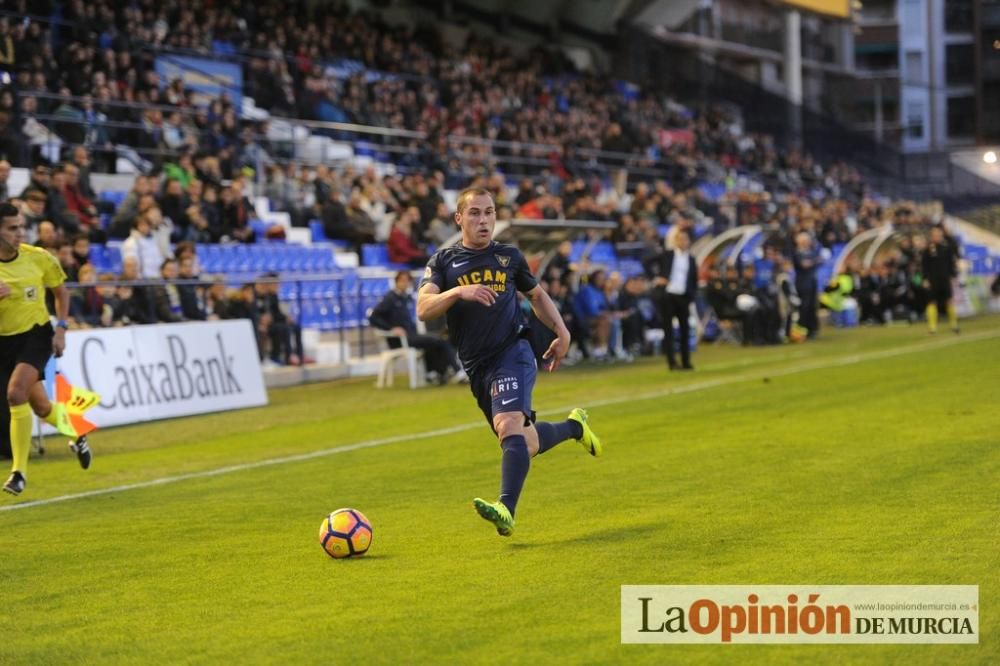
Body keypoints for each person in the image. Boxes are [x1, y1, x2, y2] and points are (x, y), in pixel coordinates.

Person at [416, 188, 603, 537]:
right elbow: (423, 309)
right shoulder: (443, 261)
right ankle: (575, 426)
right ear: (459, 218)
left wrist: (561, 331)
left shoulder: (508, 257)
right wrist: (458, 292)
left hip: (513, 351)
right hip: (476, 366)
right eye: (474, 213)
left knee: (507, 425)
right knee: (525, 442)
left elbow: (536, 295)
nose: (483, 220)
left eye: (489, 213)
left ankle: (506, 508)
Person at [0, 203, 89, 496]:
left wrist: (61, 329)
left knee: (15, 393)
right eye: (12, 228)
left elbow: (61, 292)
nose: (19, 233)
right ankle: (77, 430)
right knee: (40, 406)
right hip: (4, 341)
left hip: (36, 335)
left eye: (21, 226)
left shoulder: (38, 258)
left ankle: (18, 473)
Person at [369, 270, 463, 384]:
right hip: (399, 340)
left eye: (407, 280)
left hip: (412, 335)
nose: (405, 283)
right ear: (396, 282)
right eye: (402, 280)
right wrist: (391, 329)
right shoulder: (390, 298)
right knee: (437, 340)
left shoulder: (407, 298)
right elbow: (373, 317)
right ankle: (457, 371)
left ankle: (435, 373)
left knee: (437, 340)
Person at [644, 229, 698, 370]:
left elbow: (694, 280)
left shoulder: (691, 259)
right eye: (679, 239)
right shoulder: (668, 255)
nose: (682, 242)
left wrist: (691, 296)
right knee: (668, 330)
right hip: (668, 296)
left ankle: (686, 361)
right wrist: (655, 279)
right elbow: (647, 261)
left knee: (685, 330)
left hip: (683, 297)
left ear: (689, 241)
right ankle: (672, 362)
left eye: (685, 239)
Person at [921, 225, 960, 334]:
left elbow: (951, 264)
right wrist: (925, 279)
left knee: (949, 301)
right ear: (931, 236)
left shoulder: (946, 248)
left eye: (939, 235)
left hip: (945, 279)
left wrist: (953, 276)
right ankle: (932, 327)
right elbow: (924, 266)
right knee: (931, 302)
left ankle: (954, 324)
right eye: (935, 235)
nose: (937, 236)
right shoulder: (927, 250)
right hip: (932, 280)